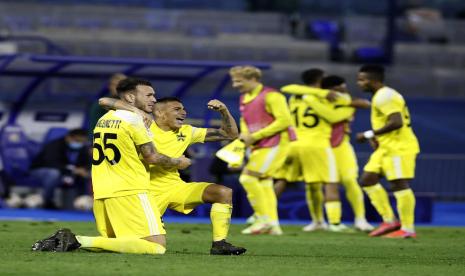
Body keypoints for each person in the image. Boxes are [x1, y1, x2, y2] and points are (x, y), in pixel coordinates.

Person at [32, 77, 191, 254]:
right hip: (130, 191)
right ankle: (76, 240)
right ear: (130, 98)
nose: (153, 99)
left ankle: (65, 242)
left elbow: (106, 104)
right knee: (156, 247)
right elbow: (152, 157)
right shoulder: (134, 120)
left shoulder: (105, 118)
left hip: (102, 192)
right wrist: (179, 162)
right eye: (148, 95)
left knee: (116, 244)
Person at [98, 96, 246, 255]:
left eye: (183, 109)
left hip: (175, 187)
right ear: (160, 113)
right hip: (144, 192)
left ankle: (220, 243)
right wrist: (176, 162)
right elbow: (104, 101)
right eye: (177, 109)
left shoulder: (187, 131)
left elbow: (229, 134)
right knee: (134, 243)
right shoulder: (142, 127)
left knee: (222, 193)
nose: (183, 112)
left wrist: (224, 111)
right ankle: (79, 241)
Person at [279, 68, 356, 232]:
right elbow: (333, 116)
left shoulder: (295, 96)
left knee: (288, 181)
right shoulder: (326, 97)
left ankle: (264, 216)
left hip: (295, 143)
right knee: (330, 182)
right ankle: (335, 223)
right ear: (320, 79)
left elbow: (288, 88)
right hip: (317, 144)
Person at [229, 65, 295, 235]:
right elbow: (245, 120)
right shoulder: (244, 97)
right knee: (264, 183)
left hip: (277, 142)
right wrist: (245, 135)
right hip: (259, 144)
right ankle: (273, 225)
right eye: (233, 81)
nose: (235, 85)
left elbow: (284, 121)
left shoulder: (272, 95)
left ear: (253, 79)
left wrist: (256, 135)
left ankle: (262, 219)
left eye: (238, 81)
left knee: (247, 178)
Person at [356, 65, 419, 238]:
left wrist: (368, 133)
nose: (359, 83)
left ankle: (408, 229)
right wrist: (377, 138)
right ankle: (390, 220)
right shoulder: (381, 96)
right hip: (385, 146)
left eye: (362, 79)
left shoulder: (385, 96)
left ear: (373, 80)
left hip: (399, 147)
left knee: (399, 184)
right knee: (367, 180)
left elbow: (397, 122)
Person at [320, 75, 374, 232]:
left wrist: (343, 100)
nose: (344, 90)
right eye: (339, 88)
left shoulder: (347, 101)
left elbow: (365, 103)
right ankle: (333, 222)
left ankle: (360, 219)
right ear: (329, 90)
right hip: (322, 146)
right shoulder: (318, 100)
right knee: (329, 184)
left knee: (350, 180)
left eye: (344, 87)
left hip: (342, 146)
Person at [29, 128, 90, 209]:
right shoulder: (54, 145)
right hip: (41, 170)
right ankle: (47, 201)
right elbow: (52, 164)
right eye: (77, 141)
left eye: (82, 142)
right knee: (54, 174)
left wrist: (84, 169)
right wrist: (73, 170)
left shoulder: (83, 148)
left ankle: (82, 203)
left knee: (88, 174)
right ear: (69, 137)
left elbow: (86, 163)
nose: (80, 143)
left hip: (65, 172)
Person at [87, 73, 126, 140]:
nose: (117, 87)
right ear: (109, 86)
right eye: (114, 85)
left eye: (120, 85)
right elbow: (94, 126)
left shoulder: (134, 103)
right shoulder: (100, 104)